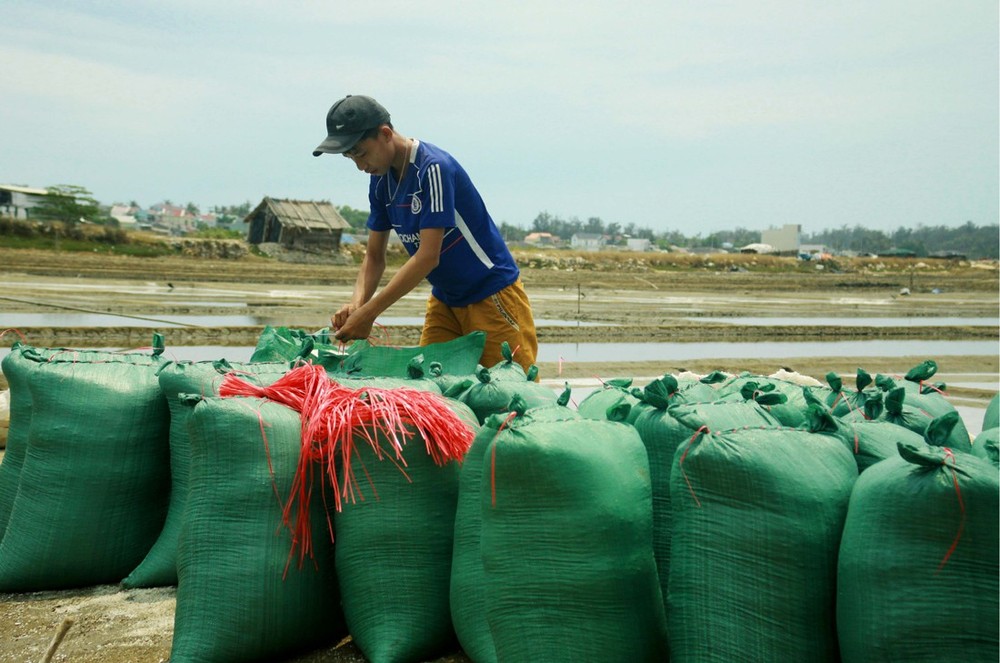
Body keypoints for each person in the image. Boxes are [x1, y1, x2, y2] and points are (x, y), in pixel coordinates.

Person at [312, 94, 538, 373]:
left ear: (385, 134)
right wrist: (357, 305)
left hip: (490, 296)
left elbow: (428, 257)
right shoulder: (380, 181)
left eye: (361, 153)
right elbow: (373, 257)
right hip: (446, 299)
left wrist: (369, 314)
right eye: (350, 158)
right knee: (428, 387)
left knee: (509, 391)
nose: (360, 166)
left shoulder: (432, 169)